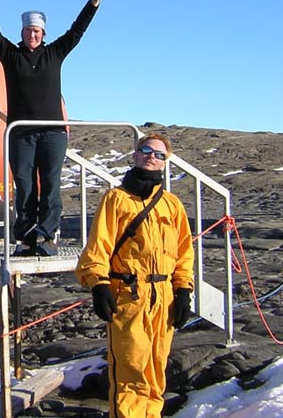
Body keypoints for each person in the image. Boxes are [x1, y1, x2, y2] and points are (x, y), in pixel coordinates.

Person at [0, 0, 101, 256]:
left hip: (53, 133)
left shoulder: (55, 53)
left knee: (50, 184)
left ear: (44, 34)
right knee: (25, 185)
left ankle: (47, 235)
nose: (32, 35)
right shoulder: (10, 56)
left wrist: (94, 2)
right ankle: (26, 238)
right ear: (22, 32)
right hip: (21, 133)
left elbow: (76, 31)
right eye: (28, 30)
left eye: (37, 31)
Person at [75, 133, 194, 418]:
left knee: (156, 370)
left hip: (163, 299)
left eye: (159, 154)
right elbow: (98, 246)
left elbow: (184, 252)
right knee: (130, 369)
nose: (152, 156)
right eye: (146, 150)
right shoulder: (116, 200)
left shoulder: (172, 205)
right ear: (135, 155)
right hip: (129, 296)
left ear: (165, 163)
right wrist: (99, 285)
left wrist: (183, 291)